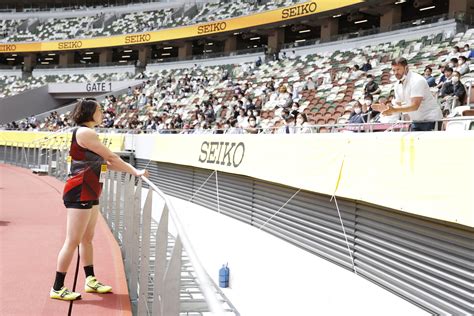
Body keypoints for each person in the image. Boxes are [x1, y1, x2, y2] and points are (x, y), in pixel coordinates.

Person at [51, 99, 148, 301]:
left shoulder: (86, 133)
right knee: (73, 241)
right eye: (99, 110)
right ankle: (57, 287)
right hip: (80, 191)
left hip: (90, 191)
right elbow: (112, 158)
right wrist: (135, 171)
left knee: (87, 239)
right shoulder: (86, 133)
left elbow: (105, 164)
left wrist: (131, 172)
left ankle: (90, 280)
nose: (102, 113)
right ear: (89, 112)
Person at [381, 57, 442, 131]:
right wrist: (387, 110)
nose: (395, 73)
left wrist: (394, 110)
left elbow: (414, 106)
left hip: (431, 119)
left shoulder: (417, 80)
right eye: (393, 70)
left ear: (406, 68)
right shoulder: (397, 85)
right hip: (416, 121)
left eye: (398, 69)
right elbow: (398, 104)